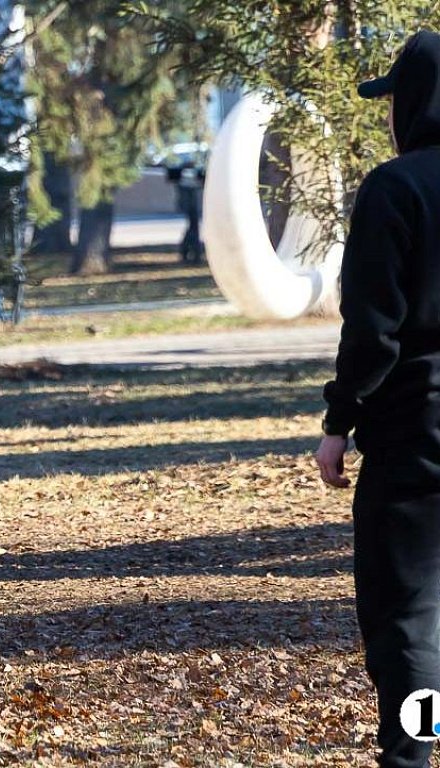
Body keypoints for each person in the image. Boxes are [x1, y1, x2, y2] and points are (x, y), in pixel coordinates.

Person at [317, 29, 440, 768]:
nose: (387, 115)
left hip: (416, 432)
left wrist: (340, 419)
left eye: (392, 99)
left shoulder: (394, 190)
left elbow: (372, 328)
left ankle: (414, 757)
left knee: (412, 616)